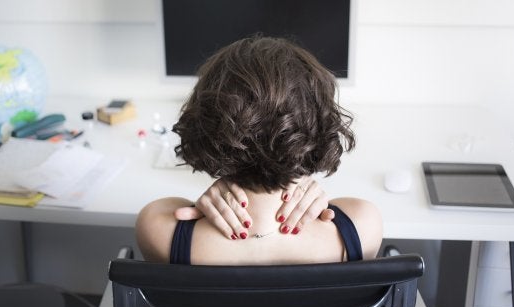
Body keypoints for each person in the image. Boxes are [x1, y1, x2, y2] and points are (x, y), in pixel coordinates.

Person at [137, 36, 382, 265]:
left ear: (207, 125)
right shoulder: (361, 226)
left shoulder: (160, 230)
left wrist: (210, 195)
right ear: (318, 124)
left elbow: (157, 210)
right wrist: (301, 176)